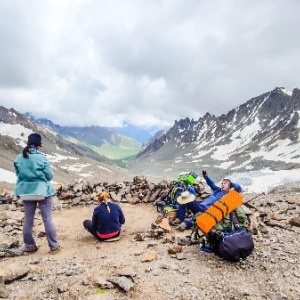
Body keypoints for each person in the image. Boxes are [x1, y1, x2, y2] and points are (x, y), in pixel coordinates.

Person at [14, 133, 61, 255]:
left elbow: (18, 174)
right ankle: (54, 247)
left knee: (28, 220)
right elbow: (49, 176)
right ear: (39, 145)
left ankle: (29, 246)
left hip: (26, 192)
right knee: (47, 219)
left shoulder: (19, 158)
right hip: (42, 192)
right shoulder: (42, 157)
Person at [176, 170, 242, 230]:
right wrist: (205, 176)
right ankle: (180, 218)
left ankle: (185, 224)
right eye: (222, 183)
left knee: (190, 204)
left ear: (229, 186)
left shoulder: (228, 195)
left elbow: (239, 188)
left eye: (225, 183)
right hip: (200, 206)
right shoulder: (217, 190)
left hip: (207, 210)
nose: (222, 184)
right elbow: (211, 184)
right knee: (185, 198)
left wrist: (231, 184)